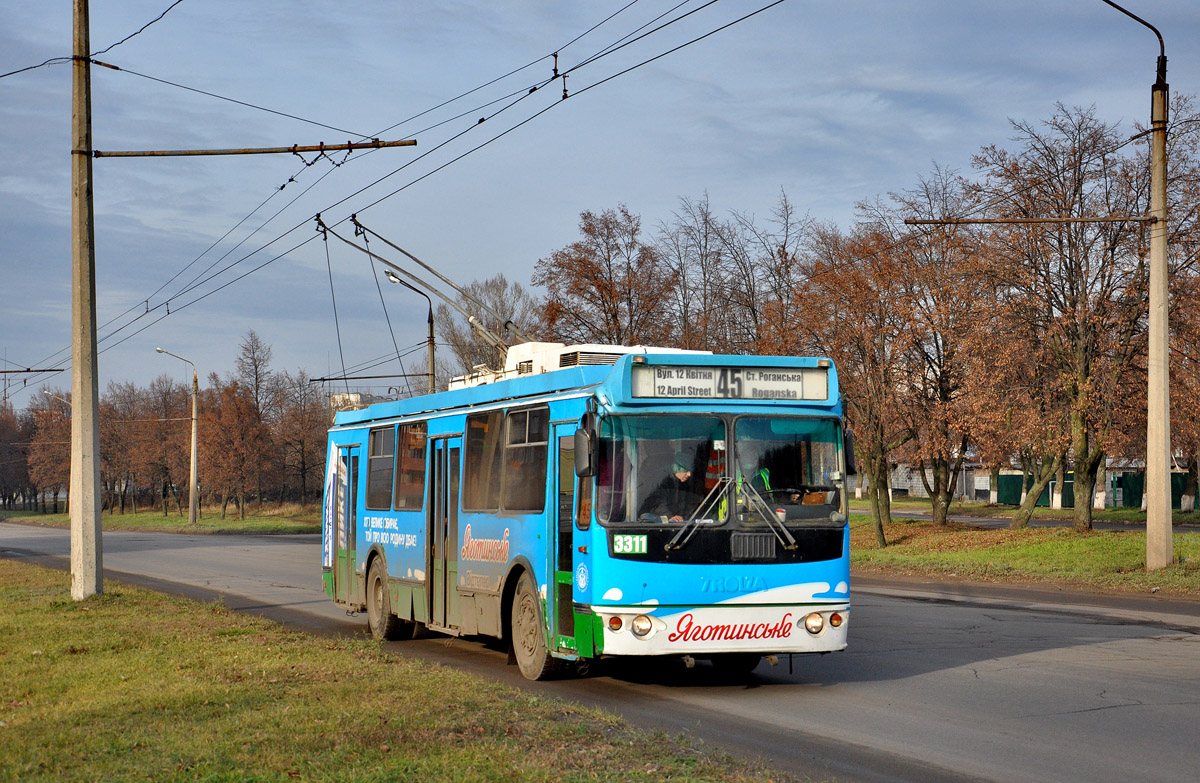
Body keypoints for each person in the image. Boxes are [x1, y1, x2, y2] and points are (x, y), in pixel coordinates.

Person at [639, 457, 703, 522]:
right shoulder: (661, 480)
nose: (689, 474)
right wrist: (670, 516)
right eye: (686, 471)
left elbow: (686, 505)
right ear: (676, 468)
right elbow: (656, 502)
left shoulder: (684, 484)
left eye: (690, 471)